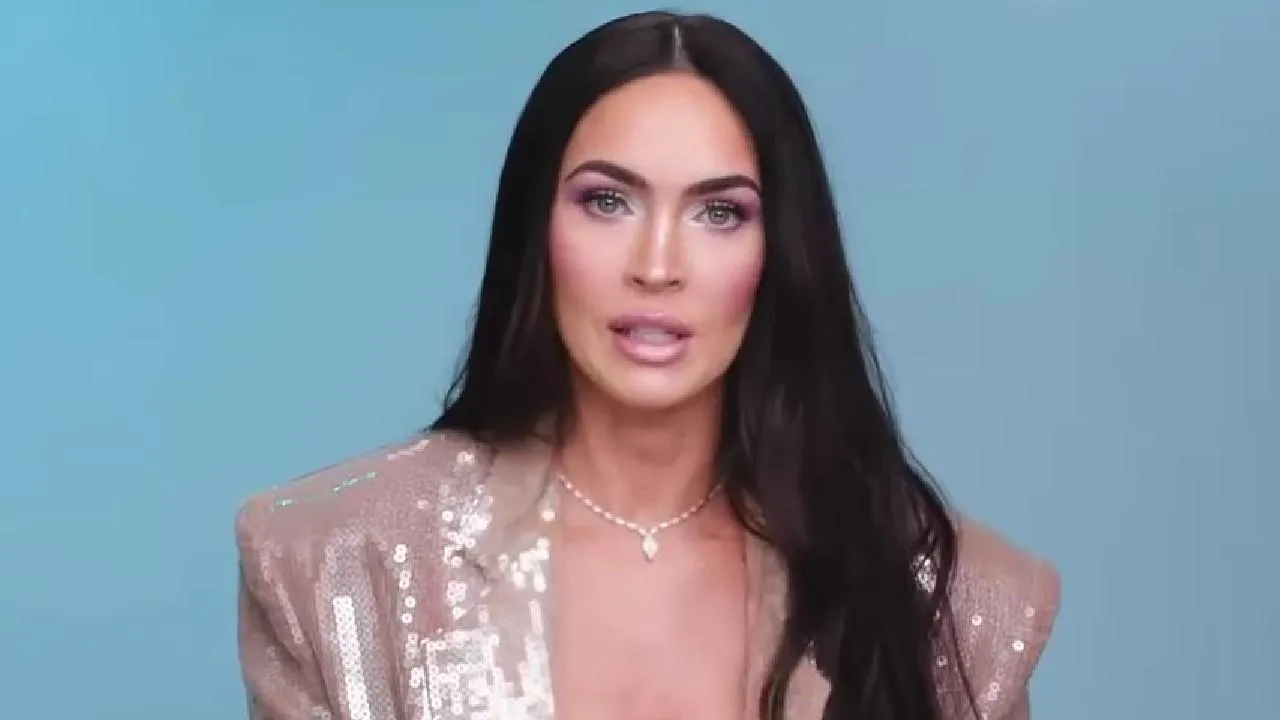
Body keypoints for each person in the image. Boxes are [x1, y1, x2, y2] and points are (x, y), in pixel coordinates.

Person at [234, 10, 1060, 720]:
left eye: (719, 212)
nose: (657, 265)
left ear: (781, 251)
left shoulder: (952, 603)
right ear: (536, 228)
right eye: (608, 202)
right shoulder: (335, 560)